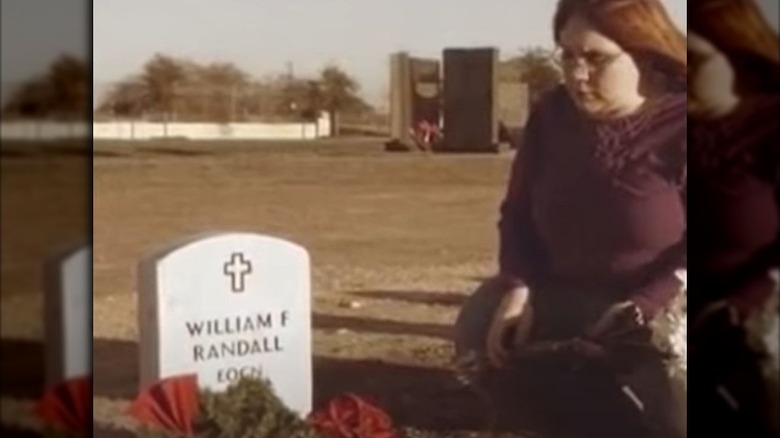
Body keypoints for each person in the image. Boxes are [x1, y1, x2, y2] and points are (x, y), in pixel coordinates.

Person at [453, 0, 687, 437]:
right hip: (562, 292)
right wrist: (519, 287)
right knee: (482, 328)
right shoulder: (551, 115)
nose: (577, 74)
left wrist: (645, 304)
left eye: (596, 58)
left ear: (645, 52)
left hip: (664, 299)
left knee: (678, 388)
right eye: (567, 55)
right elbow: (517, 213)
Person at [687, 0, 780, 436]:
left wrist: (744, 303)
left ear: (738, 56)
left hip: (753, 313)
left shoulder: (770, 126)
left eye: (695, 60)